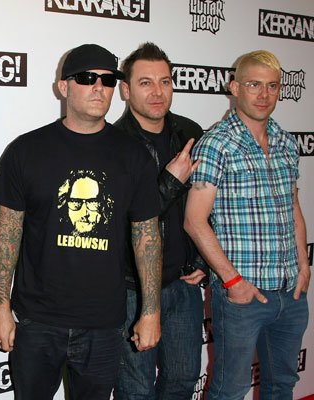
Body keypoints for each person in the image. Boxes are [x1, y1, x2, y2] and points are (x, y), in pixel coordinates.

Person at [0, 43, 163, 400]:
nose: (99, 87)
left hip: (104, 323)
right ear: (63, 87)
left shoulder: (133, 156)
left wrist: (151, 312)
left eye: (108, 80)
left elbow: (148, 237)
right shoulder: (26, 150)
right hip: (37, 321)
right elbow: (6, 234)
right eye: (87, 78)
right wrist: (0, 307)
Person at [184, 50, 310, 399]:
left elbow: (293, 206)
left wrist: (303, 265)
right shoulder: (216, 144)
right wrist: (233, 281)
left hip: (291, 292)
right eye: (254, 85)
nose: (264, 94)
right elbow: (194, 221)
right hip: (242, 297)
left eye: (272, 86)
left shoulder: (286, 141)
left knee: (282, 385)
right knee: (230, 390)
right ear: (235, 87)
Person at [113, 42, 206, 399]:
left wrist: (202, 259)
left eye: (165, 82)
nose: (157, 92)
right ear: (125, 90)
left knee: (183, 381)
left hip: (183, 285)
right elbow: (119, 222)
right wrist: (169, 183)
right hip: (131, 289)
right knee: (136, 390)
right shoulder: (113, 143)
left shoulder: (189, 133)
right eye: (146, 82)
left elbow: (206, 205)